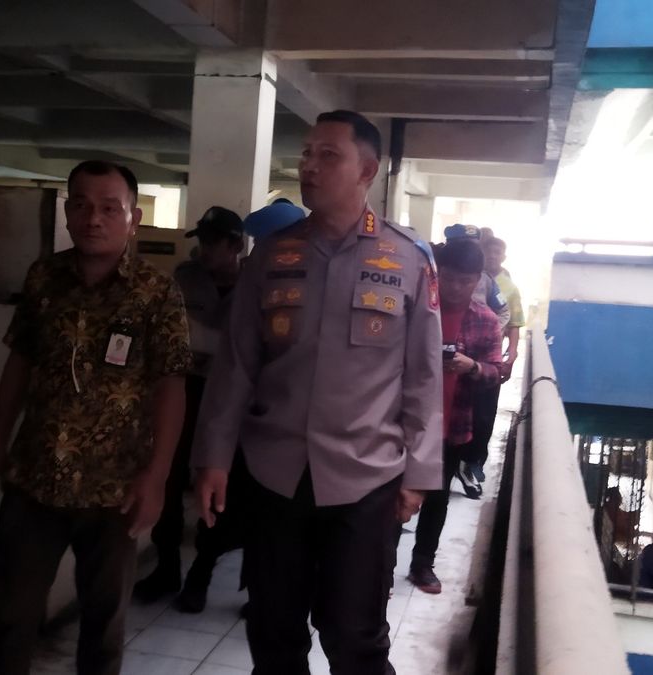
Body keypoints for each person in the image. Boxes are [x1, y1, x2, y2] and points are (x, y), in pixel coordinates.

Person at [192, 110, 444, 674]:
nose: (309, 165)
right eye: (306, 154)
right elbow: (236, 365)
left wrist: (420, 473)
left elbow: (424, 376)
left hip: (367, 476)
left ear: (367, 170)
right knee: (274, 631)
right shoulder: (272, 258)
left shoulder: (407, 260)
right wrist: (212, 459)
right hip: (275, 474)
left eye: (327, 155)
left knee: (354, 636)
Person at [0, 160, 192, 675]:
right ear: (67, 213)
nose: (94, 218)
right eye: (81, 205)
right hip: (34, 479)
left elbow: (171, 388)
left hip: (114, 488)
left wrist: (157, 478)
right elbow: (19, 363)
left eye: (109, 208)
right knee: (10, 616)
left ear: (133, 217)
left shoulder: (156, 294)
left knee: (103, 623)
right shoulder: (44, 278)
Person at [133, 205, 250, 613]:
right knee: (168, 477)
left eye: (212, 243)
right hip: (186, 391)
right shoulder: (184, 279)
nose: (204, 250)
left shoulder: (256, 284)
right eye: (201, 242)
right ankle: (167, 569)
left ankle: (200, 573)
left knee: (221, 488)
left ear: (235, 245)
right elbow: (170, 334)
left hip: (233, 402)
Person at [406, 238, 503, 595]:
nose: (457, 287)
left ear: (478, 279)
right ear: (438, 273)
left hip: (452, 425)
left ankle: (422, 564)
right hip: (405, 423)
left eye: (466, 281)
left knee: (437, 497)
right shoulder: (418, 306)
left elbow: (496, 371)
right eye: (450, 278)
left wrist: (472, 367)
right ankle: (379, 567)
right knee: (386, 494)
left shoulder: (486, 321)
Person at [455, 235, 526, 494]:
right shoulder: (464, 274)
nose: (493, 256)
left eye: (498, 253)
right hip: (455, 353)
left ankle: (471, 463)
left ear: (503, 256)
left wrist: (509, 350)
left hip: (487, 356)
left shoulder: (504, 286)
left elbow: (512, 319)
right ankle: (456, 462)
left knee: (483, 414)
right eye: (488, 251)